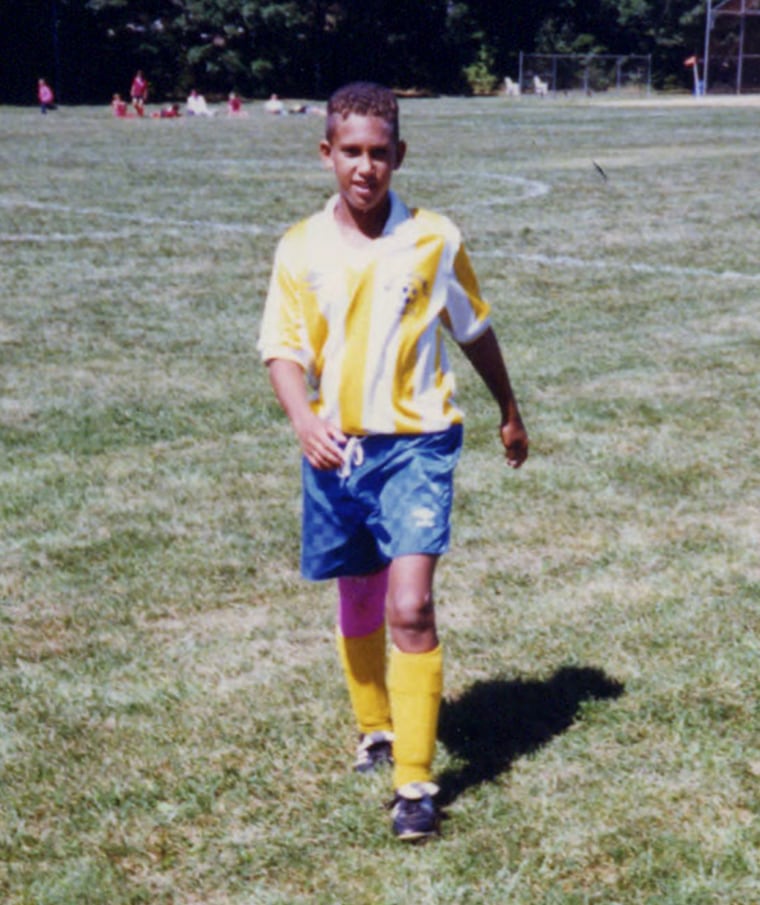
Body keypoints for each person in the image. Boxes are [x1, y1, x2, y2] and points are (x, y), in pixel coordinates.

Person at [258, 81, 528, 842]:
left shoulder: (434, 237)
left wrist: (508, 409)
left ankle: (415, 785)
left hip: (418, 443)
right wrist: (306, 419)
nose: (366, 167)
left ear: (399, 155)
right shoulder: (300, 247)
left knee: (409, 604)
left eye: (380, 153)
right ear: (326, 155)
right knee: (359, 594)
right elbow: (282, 348)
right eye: (351, 152)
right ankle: (375, 728)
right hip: (337, 450)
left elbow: (474, 329)